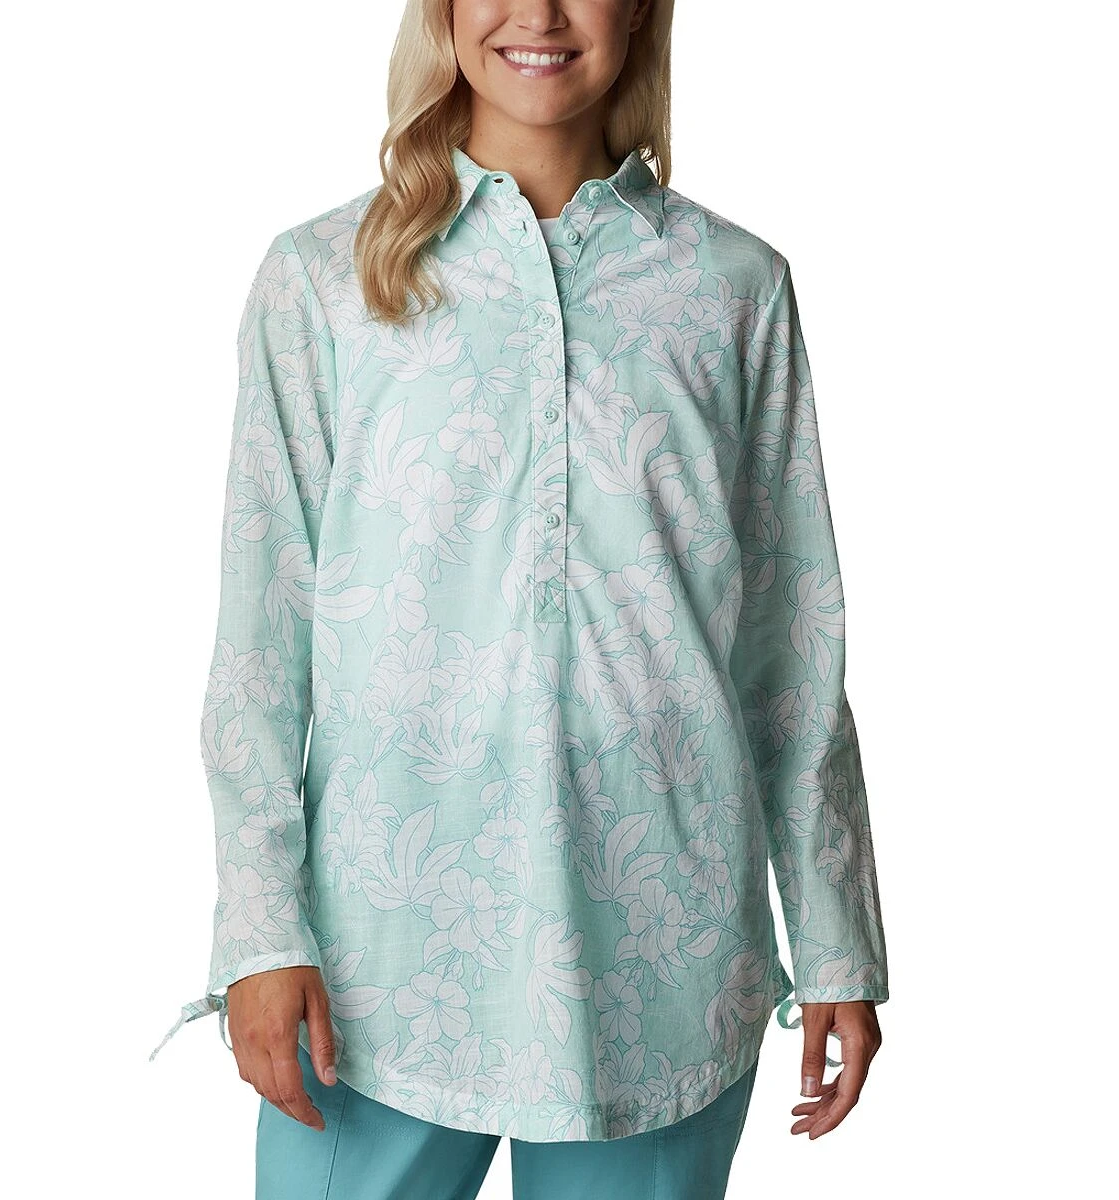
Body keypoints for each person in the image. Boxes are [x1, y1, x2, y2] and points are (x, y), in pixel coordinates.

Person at [149, 1, 889, 1195]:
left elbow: (790, 653)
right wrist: (260, 931)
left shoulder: (734, 286)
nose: (539, 13)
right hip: (380, 961)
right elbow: (261, 642)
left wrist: (836, 938)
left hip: (663, 954)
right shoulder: (324, 280)